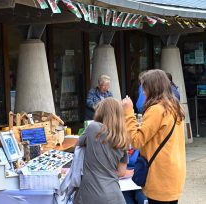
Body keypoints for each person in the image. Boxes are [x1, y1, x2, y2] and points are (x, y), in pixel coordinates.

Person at [122, 69, 186, 204]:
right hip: (173, 173)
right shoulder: (174, 107)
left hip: (160, 176)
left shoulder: (157, 109)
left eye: (144, 87)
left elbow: (136, 141)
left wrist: (128, 112)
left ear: (153, 87)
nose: (143, 92)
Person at [75, 98, 130, 204]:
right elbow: (121, 172)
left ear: (101, 112)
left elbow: (77, 144)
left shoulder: (93, 128)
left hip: (90, 194)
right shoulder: (123, 137)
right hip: (114, 196)